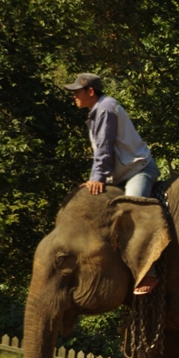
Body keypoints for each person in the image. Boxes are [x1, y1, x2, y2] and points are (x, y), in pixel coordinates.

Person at [65, 72, 161, 294]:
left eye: (77, 92)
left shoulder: (106, 108)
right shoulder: (95, 111)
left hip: (138, 170)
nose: (74, 96)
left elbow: (104, 149)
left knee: (132, 211)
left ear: (90, 91)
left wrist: (96, 178)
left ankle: (148, 271)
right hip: (120, 174)